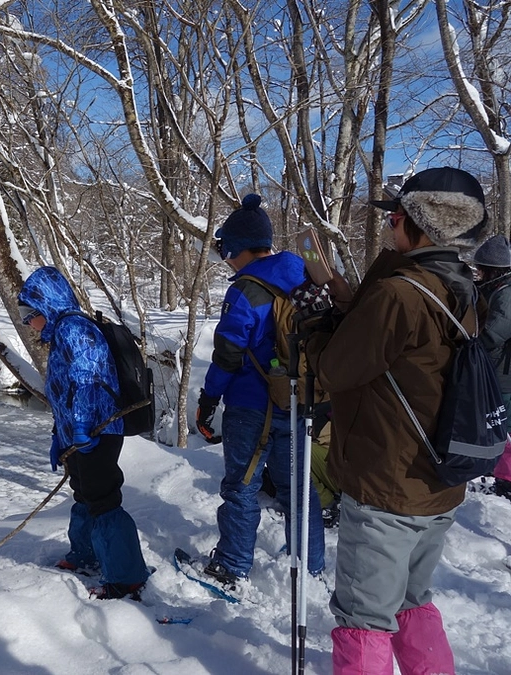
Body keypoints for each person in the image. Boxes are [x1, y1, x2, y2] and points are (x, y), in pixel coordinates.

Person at [303, 166, 488, 674]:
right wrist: (345, 298)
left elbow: (335, 369)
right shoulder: (459, 285)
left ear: (421, 223)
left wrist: (315, 325)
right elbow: (401, 351)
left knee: (363, 618)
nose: (390, 225)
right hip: (437, 482)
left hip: (389, 485)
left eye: (397, 217)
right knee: (411, 601)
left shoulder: (399, 293)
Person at [195, 193, 325, 587]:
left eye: (227, 252)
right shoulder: (304, 275)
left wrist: (208, 399)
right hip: (298, 401)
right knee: (298, 489)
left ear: (239, 248)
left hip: (252, 406)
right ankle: (311, 567)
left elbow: (228, 353)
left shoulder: (246, 291)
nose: (227, 261)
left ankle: (232, 565)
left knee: (241, 487)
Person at [17, 266, 151, 600]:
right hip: (79, 432)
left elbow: (88, 381)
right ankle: (86, 554)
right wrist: (59, 435)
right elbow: (63, 391)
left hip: (97, 430)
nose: (27, 323)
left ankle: (127, 578)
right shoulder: (62, 331)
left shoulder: (75, 329)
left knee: (103, 499)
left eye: (29, 314)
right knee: (84, 494)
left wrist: (81, 426)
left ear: (46, 305)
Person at [471, 234, 511, 500]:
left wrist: (469, 344)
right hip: (496, 369)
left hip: (503, 374)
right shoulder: (496, 288)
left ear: (493, 269)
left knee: (501, 426)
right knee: (496, 423)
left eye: (482, 269)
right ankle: (495, 471)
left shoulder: (507, 294)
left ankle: (505, 479)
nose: (480, 274)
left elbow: (493, 333)